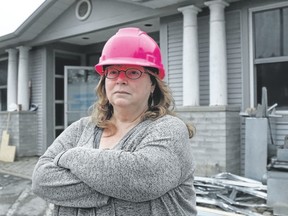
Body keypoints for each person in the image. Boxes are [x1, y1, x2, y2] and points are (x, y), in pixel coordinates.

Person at [32, 27, 197, 216]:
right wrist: (115, 186)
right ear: (104, 81)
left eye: (133, 72)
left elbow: (144, 178)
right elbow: (41, 180)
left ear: (153, 84)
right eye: (112, 72)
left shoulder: (169, 129)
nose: (120, 80)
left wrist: (70, 156)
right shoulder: (81, 128)